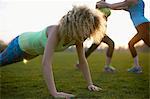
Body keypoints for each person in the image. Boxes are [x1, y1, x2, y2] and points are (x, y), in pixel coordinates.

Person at [0, 6, 107, 98]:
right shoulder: (55, 31)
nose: (87, 36)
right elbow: (46, 63)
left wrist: (90, 84)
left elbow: (82, 61)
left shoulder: (77, 39)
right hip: (20, 45)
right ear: (77, 26)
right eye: (86, 31)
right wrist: (54, 93)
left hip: (32, 53)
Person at [96, 0, 150, 73]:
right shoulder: (135, 3)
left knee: (131, 44)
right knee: (132, 44)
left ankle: (137, 67)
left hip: (142, 25)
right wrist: (107, 5)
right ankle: (136, 67)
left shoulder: (133, 1)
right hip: (143, 25)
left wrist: (105, 4)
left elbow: (115, 5)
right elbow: (118, 7)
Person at [76, 0, 116, 72]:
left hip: (102, 30)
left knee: (92, 48)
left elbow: (113, 7)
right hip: (98, 30)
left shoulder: (106, 5)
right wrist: (108, 5)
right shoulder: (99, 3)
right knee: (111, 44)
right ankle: (107, 67)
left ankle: (79, 63)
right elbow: (99, 5)